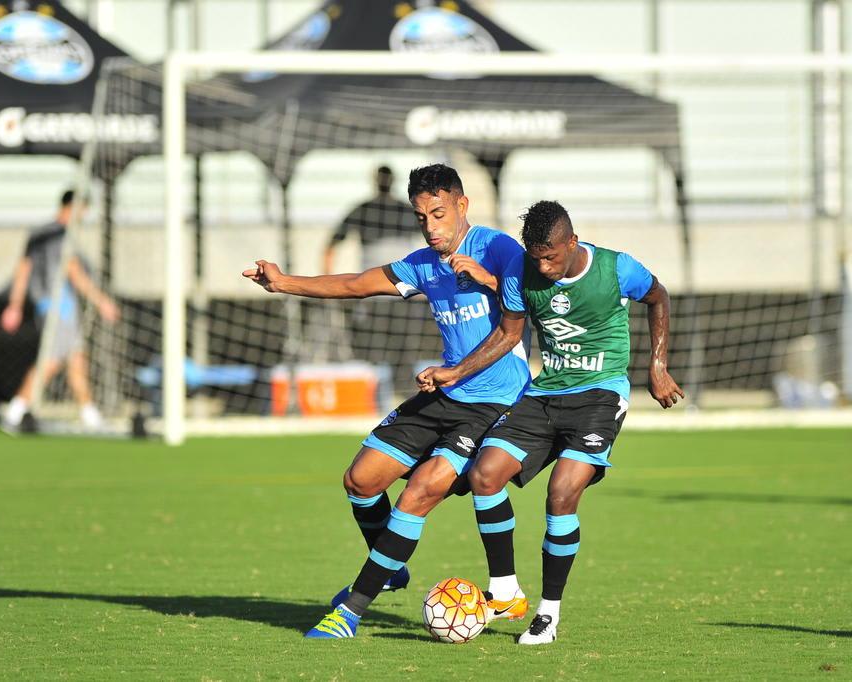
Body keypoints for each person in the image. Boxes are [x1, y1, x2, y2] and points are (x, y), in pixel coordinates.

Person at [243, 164, 532, 639]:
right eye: (422, 217)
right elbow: (357, 283)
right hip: (445, 392)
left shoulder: (498, 249)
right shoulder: (423, 262)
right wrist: (284, 283)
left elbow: (524, 315)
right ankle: (391, 566)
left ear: (462, 206)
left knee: (416, 495)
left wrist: (488, 279)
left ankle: (351, 611)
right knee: (360, 480)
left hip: (495, 403)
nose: (432, 226)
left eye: (439, 213)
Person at [418, 200, 684, 645]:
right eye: (536, 256)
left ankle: (547, 614)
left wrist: (656, 366)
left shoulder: (618, 268)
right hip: (545, 395)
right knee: (484, 474)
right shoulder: (523, 274)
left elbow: (659, 297)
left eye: (551, 256)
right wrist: (456, 371)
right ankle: (504, 590)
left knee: (561, 493)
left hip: (599, 396)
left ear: (572, 243)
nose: (543, 265)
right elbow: (507, 333)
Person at [0, 190, 120, 433]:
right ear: (72, 207)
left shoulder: (38, 233)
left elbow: (23, 270)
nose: (84, 216)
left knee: (76, 360)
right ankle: (15, 411)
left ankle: (89, 414)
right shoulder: (61, 236)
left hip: (45, 306)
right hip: (60, 306)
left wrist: (15, 305)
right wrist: (101, 302)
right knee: (51, 361)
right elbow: (74, 273)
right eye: (83, 210)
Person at [321, 165, 424, 379]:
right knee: (380, 347)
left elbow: (331, 247)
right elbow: (332, 245)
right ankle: (385, 392)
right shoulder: (366, 210)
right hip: (380, 292)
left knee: (399, 348)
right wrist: (328, 282)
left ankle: (400, 392)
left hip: (398, 291)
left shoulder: (405, 210)